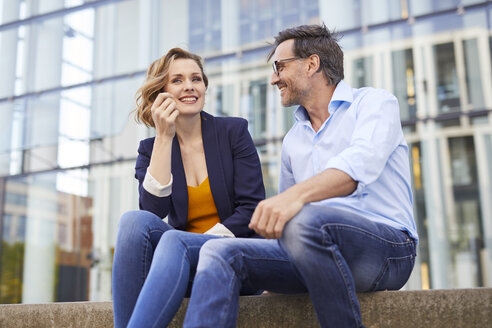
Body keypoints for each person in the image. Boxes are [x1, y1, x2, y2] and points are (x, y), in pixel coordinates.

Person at [181, 24, 418, 328]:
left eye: (279, 66)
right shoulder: (293, 141)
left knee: (305, 220)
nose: (273, 78)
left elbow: (360, 164)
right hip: (313, 251)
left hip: (388, 250)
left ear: (312, 63)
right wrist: (270, 271)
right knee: (219, 250)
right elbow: (286, 232)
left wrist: (294, 198)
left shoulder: (374, 103)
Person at [111, 48, 265, 328]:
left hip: (233, 258)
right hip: (181, 267)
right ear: (162, 92)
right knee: (133, 221)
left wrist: (199, 243)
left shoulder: (234, 132)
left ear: (205, 86)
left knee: (174, 240)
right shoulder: (150, 149)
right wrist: (164, 137)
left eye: (196, 78)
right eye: (178, 80)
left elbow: (252, 209)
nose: (190, 86)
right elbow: (153, 212)